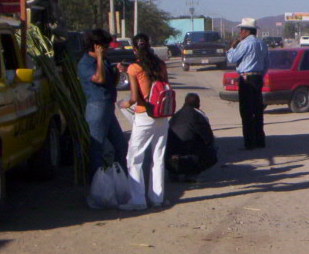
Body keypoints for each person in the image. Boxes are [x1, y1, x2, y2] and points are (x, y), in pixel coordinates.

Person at [118, 33, 171, 210]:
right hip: (162, 115)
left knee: (134, 158)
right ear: (149, 46)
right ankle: (157, 198)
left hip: (144, 115)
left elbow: (134, 98)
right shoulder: (161, 65)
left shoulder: (134, 68)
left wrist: (124, 104)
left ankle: (138, 201)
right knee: (158, 157)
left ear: (134, 49)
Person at [77, 29, 128, 182]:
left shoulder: (104, 61)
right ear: (95, 46)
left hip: (108, 106)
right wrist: (99, 57)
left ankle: (121, 179)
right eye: (104, 47)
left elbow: (111, 82)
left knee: (120, 145)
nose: (107, 49)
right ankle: (96, 182)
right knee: (97, 147)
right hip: (96, 107)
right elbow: (99, 79)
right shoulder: (85, 63)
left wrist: (117, 71)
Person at [227, 18, 268, 150]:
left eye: (241, 30)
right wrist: (260, 75)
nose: (240, 33)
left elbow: (232, 58)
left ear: (246, 31)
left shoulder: (244, 44)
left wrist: (232, 47)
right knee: (258, 110)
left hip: (246, 79)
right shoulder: (262, 44)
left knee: (246, 111)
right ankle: (260, 140)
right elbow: (267, 64)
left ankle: (249, 142)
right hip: (258, 78)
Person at [166, 92, 217, 180]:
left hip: (170, 160)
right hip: (190, 157)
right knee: (210, 149)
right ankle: (191, 173)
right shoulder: (199, 116)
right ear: (198, 104)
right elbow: (208, 138)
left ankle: (173, 173)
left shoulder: (175, 116)